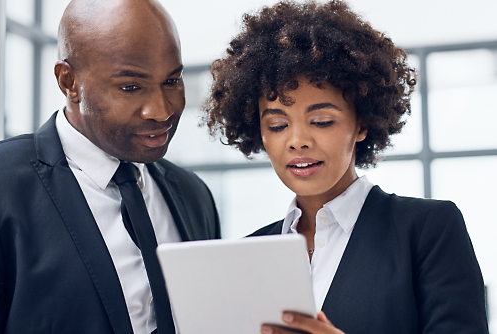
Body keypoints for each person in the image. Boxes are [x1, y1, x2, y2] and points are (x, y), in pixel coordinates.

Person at [0, 0, 220, 333]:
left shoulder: (193, 195)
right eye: (130, 87)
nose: (160, 110)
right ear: (69, 82)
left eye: (171, 82)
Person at [203, 1, 488, 333]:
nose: (297, 141)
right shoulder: (245, 255)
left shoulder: (427, 231)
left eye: (321, 120)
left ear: (361, 124)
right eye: (278, 125)